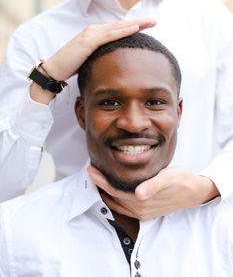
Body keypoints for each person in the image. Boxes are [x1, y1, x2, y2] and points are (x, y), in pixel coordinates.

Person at [0, 0, 233, 218]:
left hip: (188, 242)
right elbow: (3, 186)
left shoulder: (212, 22)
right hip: (72, 247)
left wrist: (205, 187)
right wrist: (47, 79)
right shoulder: (33, 39)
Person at [0, 33, 232, 277]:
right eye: (110, 102)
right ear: (81, 113)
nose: (133, 124)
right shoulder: (14, 231)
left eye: (154, 102)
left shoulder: (223, 228)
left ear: (178, 112)